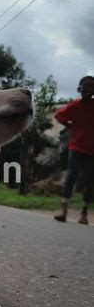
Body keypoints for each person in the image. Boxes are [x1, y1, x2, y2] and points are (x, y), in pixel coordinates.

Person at [54, 75, 94, 224]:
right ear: (80, 88)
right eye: (85, 86)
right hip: (76, 147)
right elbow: (59, 116)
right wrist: (70, 126)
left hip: (92, 151)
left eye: (91, 86)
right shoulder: (74, 106)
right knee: (71, 176)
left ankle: (84, 213)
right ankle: (63, 211)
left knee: (89, 181)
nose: (88, 89)